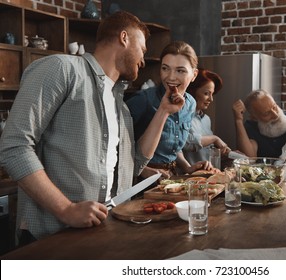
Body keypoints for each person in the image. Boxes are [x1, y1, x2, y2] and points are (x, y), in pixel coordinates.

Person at [0, 11, 185, 244]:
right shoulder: (62, 69)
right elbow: (14, 145)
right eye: (143, 49)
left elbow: (134, 165)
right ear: (124, 38)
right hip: (52, 236)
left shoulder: (121, 107)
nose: (144, 59)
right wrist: (66, 209)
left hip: (102, 233)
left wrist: (164, 111)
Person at [126, 41, 213, 180]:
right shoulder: (143, 99)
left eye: (180, 70)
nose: (171, 77)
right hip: (140, 180)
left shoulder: (190, 103)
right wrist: (143, 170)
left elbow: (174, 146)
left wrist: (187, 167)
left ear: (194, 75)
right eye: (165, 68)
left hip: (172, 176)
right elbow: (115, 144)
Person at [183, 68, 231, 166]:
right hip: (187, 175)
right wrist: (214, 138)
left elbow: (207, 150)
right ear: (192, 91)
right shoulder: (181, 116)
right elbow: (185, 142)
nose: (211, 99)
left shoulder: (206, 119)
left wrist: (227, 153)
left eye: (212, 94)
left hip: (207, 175)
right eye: (206, 93)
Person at [232, 89, 286, 158]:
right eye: (266, 113)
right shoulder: (251, 127)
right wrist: (238, 120)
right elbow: (249, 159)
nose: (275, 115)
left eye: (274, 107)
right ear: (254, 118)